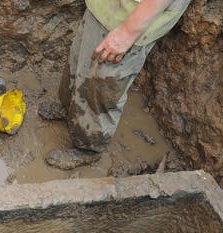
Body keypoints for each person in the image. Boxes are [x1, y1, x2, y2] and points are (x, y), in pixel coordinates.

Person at [46, 0, 191, 170]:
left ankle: (89, 148)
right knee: (79, 59)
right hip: (105, 8)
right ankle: (69, 109)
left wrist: (127, 33)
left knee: (103, 86)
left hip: (134, 19)